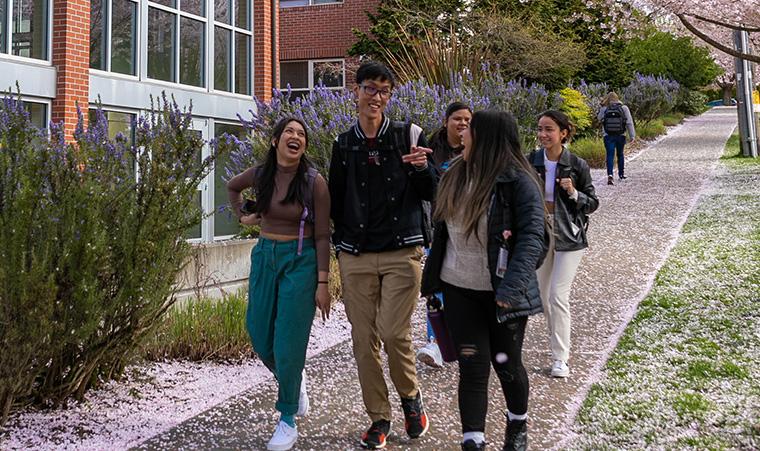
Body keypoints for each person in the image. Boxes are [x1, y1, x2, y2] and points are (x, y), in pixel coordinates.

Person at [421, 110, 546, 451]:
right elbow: (441, 232)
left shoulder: (518, 182)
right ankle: (472, 441)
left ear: (486, 137)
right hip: (458, 289)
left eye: (470, 129)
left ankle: (517, 423)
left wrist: (512, 286)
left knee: (507, 366)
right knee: (472, 367)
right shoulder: (453, 174)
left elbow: (534, 237)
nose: (463, 133)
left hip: (503, 294)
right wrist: (432, 281)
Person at [328, 61, 437, 450]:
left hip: (401, 250)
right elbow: (336, 199)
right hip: (356, 254)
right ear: (354, 92)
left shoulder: (409, 135)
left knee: (393, 333)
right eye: (370, 88)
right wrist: (337, 248)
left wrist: (423, 170)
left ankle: (410, 398)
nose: (376, 96)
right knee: (363, 341)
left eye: (384, 91)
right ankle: (379, 417)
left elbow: (432, 193)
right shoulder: (343, 144)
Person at [227, 117, 331, 451]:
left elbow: (323, 235)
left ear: (304, 146)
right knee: (258, 332)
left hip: (300, 263)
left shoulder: (315, 182)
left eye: (301, 134)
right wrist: (243, 214)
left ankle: (286, 419)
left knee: (288, 344)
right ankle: (293, 379)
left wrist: (322, 282)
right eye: (289, 132)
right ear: (275, 141)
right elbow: (232, 185)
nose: (295, 137)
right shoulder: (262, 174)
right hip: (265, 257)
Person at [528, 110, 599, 379]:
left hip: (570, 236)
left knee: (558, 296)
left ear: (563, 133)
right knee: (544, 298)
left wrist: (573, 192)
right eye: (540, 129)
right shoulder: (530, 161)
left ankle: (561, 358)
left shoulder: (576, 164)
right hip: (540, 233)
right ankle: (556, 347)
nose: (543, 135)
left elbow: (592, 203)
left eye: (549, 129)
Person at [417, 101, 473, 368]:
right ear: (446, 121)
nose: (462, 124)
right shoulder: (431, 148)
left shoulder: (477, 150)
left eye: (467, 120)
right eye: (457, 119)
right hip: (438, 227)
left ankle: (464, 337)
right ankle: (435, 342)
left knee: (463, 287)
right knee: (436, 283)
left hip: (471, 230)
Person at [598, 92, 635, 185]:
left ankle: (610, 175)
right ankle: (621, 174)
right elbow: (629, 122)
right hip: (621, 135)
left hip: (608, 135)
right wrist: (632, 136)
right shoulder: (624, 108)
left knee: (610, 155)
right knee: (620, 154)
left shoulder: (604, 108)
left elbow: (599, 118)